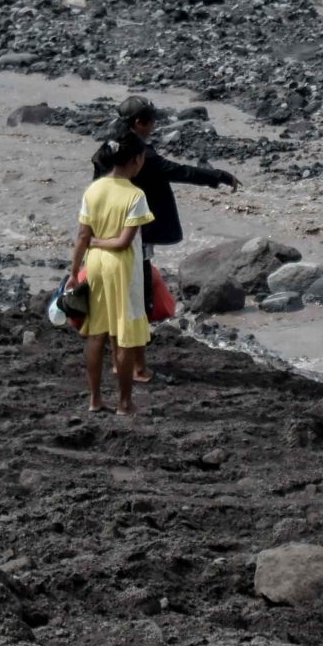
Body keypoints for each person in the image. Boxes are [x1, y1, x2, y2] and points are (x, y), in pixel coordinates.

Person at [94, 95, 239, 382]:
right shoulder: (140, 157)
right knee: (139, 308)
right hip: (134, 242)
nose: (154, 125)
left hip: (105, 240)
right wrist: (218, 176)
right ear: (139, 123)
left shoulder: (105, 151)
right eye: (152, 120)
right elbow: (178, 171)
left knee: (115, 307)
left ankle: (117, 364)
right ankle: (140, 370)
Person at [70, 134, 155, 413]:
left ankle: (94, 400)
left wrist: (74, 272)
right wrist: (99, 242)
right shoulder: (135, 194)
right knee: (124, 334)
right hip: (122, 267)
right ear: (137, 160)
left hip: (93, 265)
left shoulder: (93, 190)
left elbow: (82, 235)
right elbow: (122, 242)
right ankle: (124, 403)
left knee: (96, 334)